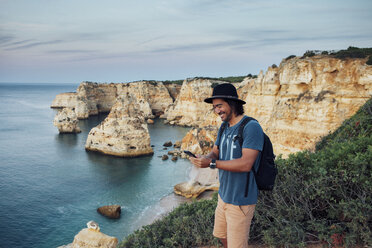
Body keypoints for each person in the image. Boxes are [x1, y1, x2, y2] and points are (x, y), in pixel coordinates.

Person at [189, 83, 264, 248]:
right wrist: (204, 158)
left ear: (232, 103)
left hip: (241, 200)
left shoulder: (251, 127)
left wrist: (212, 163)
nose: (217, 111)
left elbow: (246, 164)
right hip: (224, 196)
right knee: (221, 236)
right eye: (214, 107)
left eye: (219, 106)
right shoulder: (224, 127)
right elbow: (215, 153)